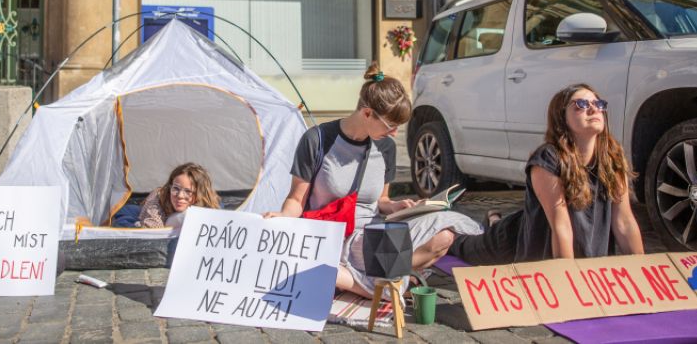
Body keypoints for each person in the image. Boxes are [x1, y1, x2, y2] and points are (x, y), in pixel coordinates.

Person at [265, 62, 480, 299]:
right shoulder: (318, 140)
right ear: (367, 113)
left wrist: (396, 206)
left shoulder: (385, 147)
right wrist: (283, 217)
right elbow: (297, 199)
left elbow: (381, 200)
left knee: (443, 236)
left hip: (374, 235)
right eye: (390, 126)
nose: (394, 134)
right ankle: (379, 282)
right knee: (390, 262)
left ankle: (354, 279)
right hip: (333, 236)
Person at [452, 83, 644, 264]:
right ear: (562, 117)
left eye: (598, 104)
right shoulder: (549, 158)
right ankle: (453, 228)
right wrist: (567, 277)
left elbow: (625, 222)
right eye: (582, 104)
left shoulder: (612, 159)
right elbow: (561, 226)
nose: (593, 109)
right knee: (458, 245)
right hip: (513, 242)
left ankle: (494, 219)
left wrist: (643, 272)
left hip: (542, 233)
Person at [139, 163, 221, 228]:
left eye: (188, 191)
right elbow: (152, 233)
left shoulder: (206, 202)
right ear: (170, 187)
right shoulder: (156, 203)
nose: (180, 196)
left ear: (200, 194)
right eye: (176, 188)